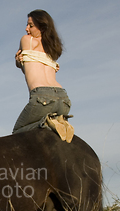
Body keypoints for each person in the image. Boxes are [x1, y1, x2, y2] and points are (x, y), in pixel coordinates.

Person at [13, 9, 73, 141]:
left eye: (31, 25)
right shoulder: (53, 50)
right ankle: (59, 123)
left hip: (42, 97)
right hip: (63, 99)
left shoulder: (27, 40)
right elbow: (31, 68)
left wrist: (17, 61)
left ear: (43, 27)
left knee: (17, 133)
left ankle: (46, 124)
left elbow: (22, 64)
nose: (26, 29)